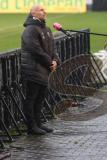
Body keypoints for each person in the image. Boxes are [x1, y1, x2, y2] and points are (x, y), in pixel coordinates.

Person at [21, 5, 60, 135]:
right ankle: (31, 126)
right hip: (33, 70)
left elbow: (52, 48)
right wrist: (50, 62)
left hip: (44, 69)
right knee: (31, 98)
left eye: (44, 10)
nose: (45, 12)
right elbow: (35, 50)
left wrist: (55, 60)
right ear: (33, 13)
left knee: (40, 98)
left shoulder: (46, 29)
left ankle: (38, 123)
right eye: (41, 10)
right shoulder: (30, 29)